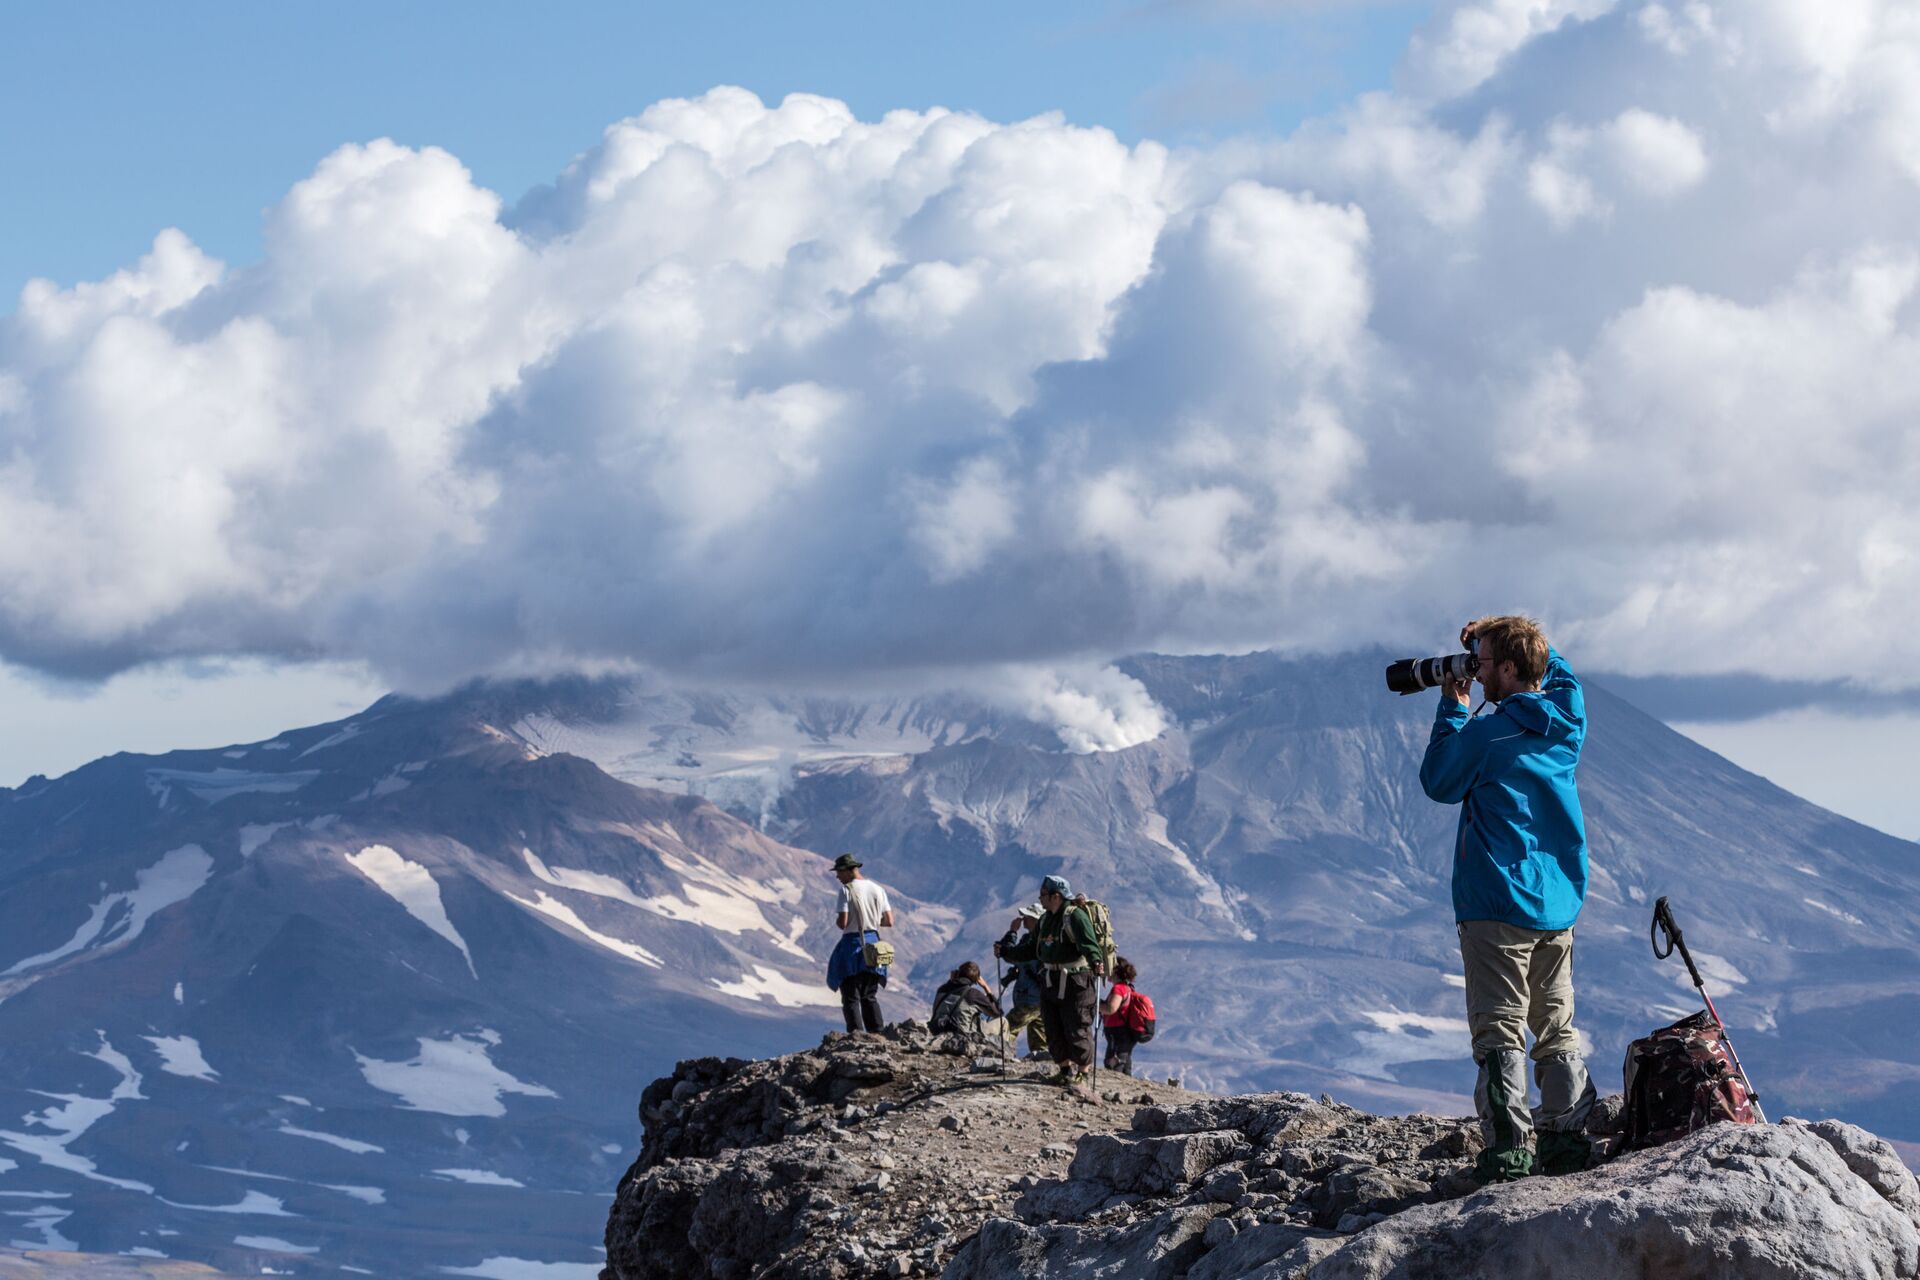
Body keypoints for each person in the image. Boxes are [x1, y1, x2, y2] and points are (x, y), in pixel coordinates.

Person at [1419, 615, 1597, 1183]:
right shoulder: (1568, 721)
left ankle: (1511, 1154)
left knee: (1500, 1032)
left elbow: (1440, 782)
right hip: (1558, 905)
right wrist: (1517, 637)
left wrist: (1453, 705)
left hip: (1497, 903)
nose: (1478, 670)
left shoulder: (1489, 735)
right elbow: (1561, 674)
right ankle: (1567, 1145)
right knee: (1557, 1027)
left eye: (1487, 661)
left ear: (1512, 668)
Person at [994, 875, 1101, 1086]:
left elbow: (1089, 944)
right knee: (1052, 1027)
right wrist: (1007, 952)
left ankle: (1083, 1072)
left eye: (1043, 894)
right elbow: (1031, 950)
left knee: (1077, 1025)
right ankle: (1064, 1070)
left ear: (1056, 896)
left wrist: (1096, 962)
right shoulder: (1045, 920)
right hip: (1050, 979)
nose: (1040, 898)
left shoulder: (1075, 916)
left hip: (1076, 979)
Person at [825, 854, 894, 1033]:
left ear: (849, 871)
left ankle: (856, 1033)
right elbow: (889, 920)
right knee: (869, 995)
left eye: (839, 872)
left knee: (850, 995)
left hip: (852, 944)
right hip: (874, 943)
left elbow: (843, 922)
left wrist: (843, 921)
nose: (838, 877)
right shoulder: (878, 889)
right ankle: (877, 1032)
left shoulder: (846, 890)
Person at [996, 905, 1050, 1060]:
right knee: (1039, 1036)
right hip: (1039, 997)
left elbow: (1010, 955)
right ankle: (1042, 1064)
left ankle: (1000, 1056)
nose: (1023, 919)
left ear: (1036, 920)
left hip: (1030, 998)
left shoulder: (1035, 941)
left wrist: (1012, 932)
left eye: (1027, 917)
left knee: (1007, 1027)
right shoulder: (1034, 939)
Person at [929, 960, 1003, 1039]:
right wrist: (986, 987)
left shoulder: (942, 989)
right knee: (1003, 1021)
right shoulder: (974, 994)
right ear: (977, 979)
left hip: (937, 1030)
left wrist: (951, 981)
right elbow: (997, 1013)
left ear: (958, 973)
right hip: (962, 1037)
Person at [1100, 957, 1142, 1076]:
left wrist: (1095, 1005)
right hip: (1126, 1033)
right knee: (1125, 1063)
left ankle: (1114, 1091)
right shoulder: (1128, 988)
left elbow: (1111, 1008)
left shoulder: (1118, 988)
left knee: (1113, 1064)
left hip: (1117, 1033)